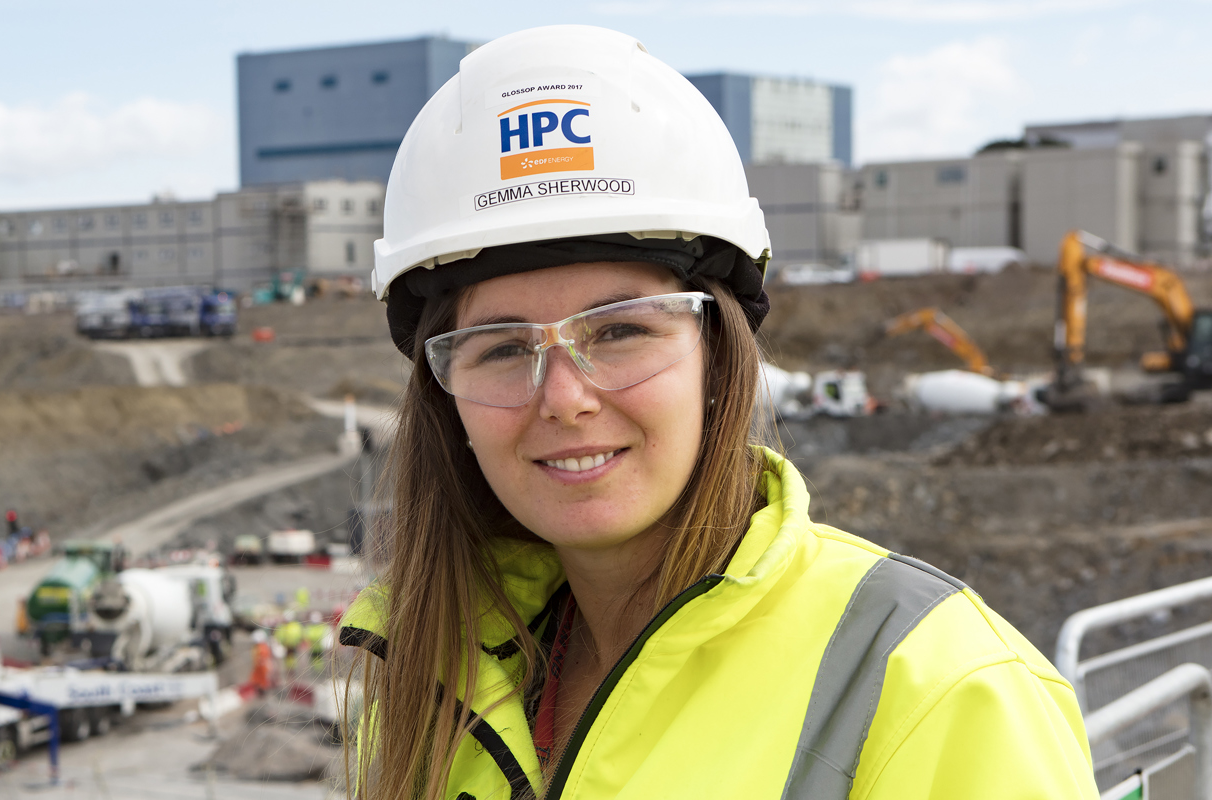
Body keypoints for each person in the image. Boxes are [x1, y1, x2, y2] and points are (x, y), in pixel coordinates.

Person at [335, 25, 1093, 800]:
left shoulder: (938, 687)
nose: (564, 399)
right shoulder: (438, 677)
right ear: (445, 394)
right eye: (500, 348)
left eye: (622, 330)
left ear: (718, 357)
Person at [247, 630, 274, 696]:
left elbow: (263, 658)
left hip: (261, 668)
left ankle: (262, 690)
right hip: (259, 668)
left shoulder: (261, 647)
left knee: (261, 681)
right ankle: (261, 690)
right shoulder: (260, 646)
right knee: (258, 680)